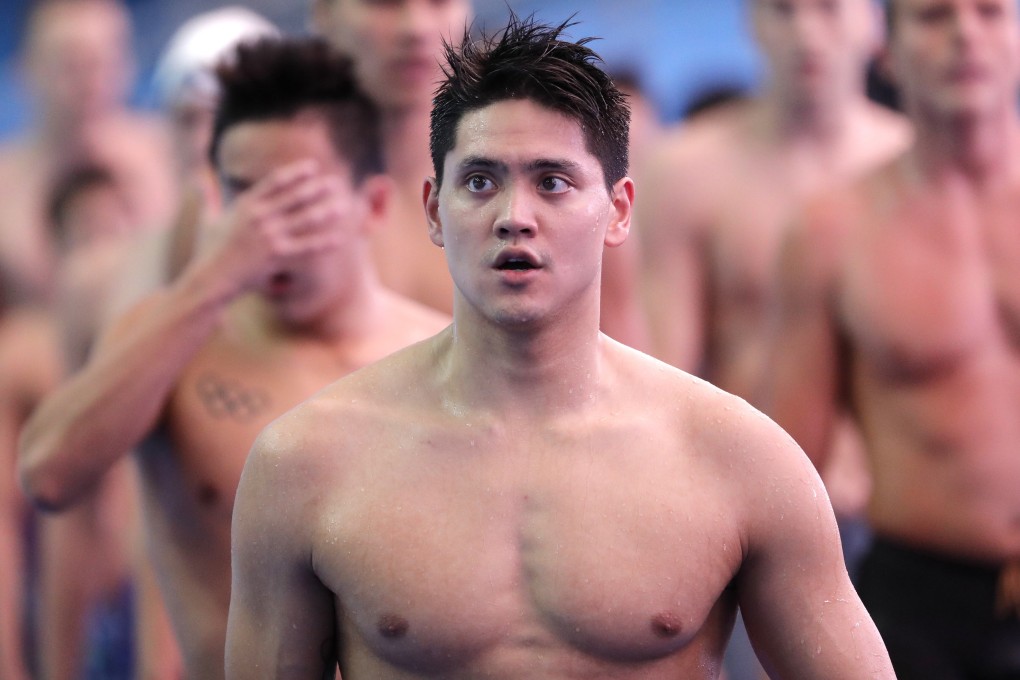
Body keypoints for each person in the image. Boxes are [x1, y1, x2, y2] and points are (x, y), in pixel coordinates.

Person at [225, 17, 895, 679]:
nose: (514, 217)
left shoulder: (738, 460)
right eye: (480, 181)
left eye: (552, 182)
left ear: (619, 210)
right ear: (434, 209)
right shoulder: (306, 463)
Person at [18, 36, 449, 679]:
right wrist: (210, 281)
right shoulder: (174, 341)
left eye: (296, 198)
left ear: (374, 205)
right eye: (245, 193)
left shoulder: (439, 354)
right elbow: (49, 476)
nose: (267, 226)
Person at [761, 0, 1020, 676]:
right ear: (887, 52)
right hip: (919, 606)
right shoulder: (833, 232)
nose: (965, 36)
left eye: (990, 13)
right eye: (934, 17)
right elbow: (788, 467)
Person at [0, 0, 176, 307]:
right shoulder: (4, 188)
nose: (89, 83)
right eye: (69, 65)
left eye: (102, 63)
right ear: (24, 70)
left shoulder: (171, 157)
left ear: (130, 65)